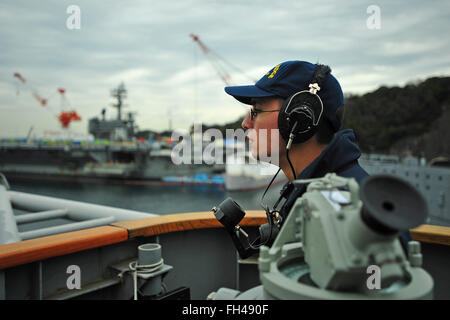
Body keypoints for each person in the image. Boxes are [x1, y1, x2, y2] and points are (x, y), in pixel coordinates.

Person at [224, 60, 411, 252]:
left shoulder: (356, 211)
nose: (245, 123)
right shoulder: (308, 188)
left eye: (256, 111)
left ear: (298, 120)